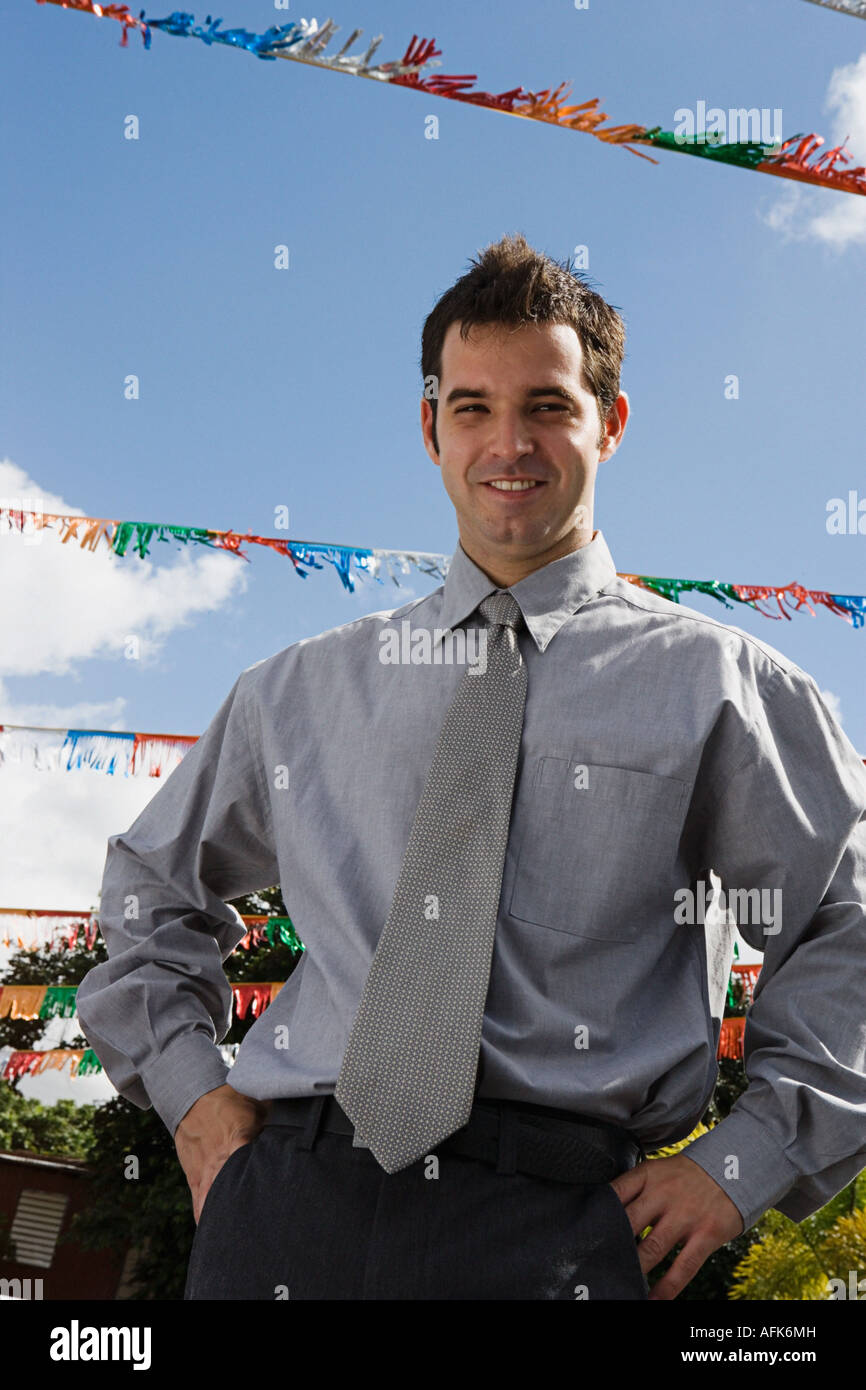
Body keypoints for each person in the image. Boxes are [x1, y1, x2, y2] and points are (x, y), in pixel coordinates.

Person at [76, 234, 866, 1302]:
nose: (510, 442)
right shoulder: (300, 689)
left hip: (558, 1232)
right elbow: (148, 889)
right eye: (472, 406)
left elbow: (846, 926)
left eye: (548, 405)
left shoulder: (723, 687)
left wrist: (740, 1164)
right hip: (281, 1212)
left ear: (610, 422)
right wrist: (193, 1098)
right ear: (428, 426)